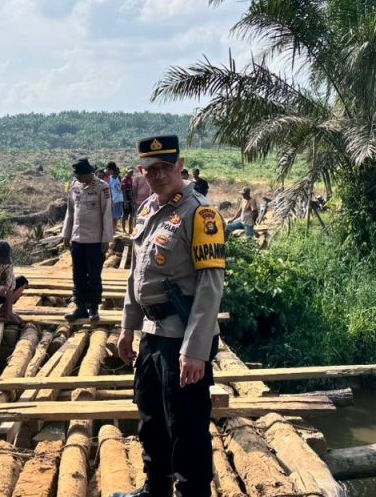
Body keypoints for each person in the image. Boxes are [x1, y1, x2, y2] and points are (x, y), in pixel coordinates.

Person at [114, 135, 226, 497]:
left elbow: (210, 286)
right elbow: (137, 274)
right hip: (151, 331)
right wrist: (127, 327)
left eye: (166, 167)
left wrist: (195, 350)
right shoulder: (148, 209)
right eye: (151, 169)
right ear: (141, 172)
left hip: (182, 336)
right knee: (151, 416)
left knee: (187, 425)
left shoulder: (200, 213)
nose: (159, 175)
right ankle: (156, 488)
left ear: (180, 166)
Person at [62, 157, 114, 322]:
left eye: (80, 176)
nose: (77, 178)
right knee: (78, 275)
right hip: (77, 239)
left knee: (93, 275)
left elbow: (106, 214)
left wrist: (106, 239)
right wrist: (66, 234)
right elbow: (70, 211)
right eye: (76, 176)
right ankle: (80, 307)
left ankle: (93, 307)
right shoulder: (75, 186)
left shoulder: (102, 187)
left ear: (88, 174)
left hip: (95, 241)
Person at [121, 169, 136, 233]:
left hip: (130, 199)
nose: (131, 174)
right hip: (125, 199)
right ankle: (123, 229)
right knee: (125, 215)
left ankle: (130, 229)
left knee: (131, 214)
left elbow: (131, 190)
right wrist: (125, 201)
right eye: (130, 172)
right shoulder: (124, 180)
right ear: (126, 172)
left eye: (132, 172)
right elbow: (123, 191)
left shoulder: (131, 179)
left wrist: (133, 198)